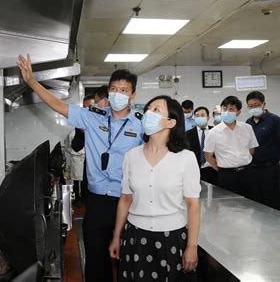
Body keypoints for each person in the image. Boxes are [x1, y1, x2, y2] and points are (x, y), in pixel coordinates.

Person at [17, 54, 144, 282]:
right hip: (96, 202)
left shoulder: (141, 124)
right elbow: (59, 106)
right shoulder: (92, 118)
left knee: (128, 259)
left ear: (132, 95)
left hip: (129, 200)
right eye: (114, 89)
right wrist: (32, 82)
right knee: (96, 258)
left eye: (124, 90)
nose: (118, 94)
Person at [109, 95, 201, 282]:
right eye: (148, 109)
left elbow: (193, 205)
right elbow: (126, 199)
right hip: (135, 236)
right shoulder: (132, 156)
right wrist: (117, 236)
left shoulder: (186, 157)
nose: (148, 113)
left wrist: (192, 246)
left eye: (156, 110)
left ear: (171, 122)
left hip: (172, 237)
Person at [204, 96, 259, 199]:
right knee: (228, 207)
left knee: (251, 205)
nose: (227, 112)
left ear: (238, 112)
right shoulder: (213, 133)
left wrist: (242, 160)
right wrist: (221, 169)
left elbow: (251, 149)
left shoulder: (247, 128)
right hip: (226, 176)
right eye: (224, 108)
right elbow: (208, 156)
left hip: (247, 173)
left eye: (231, 109)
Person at [246, 91, 280, 210]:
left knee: (271, 201)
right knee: (255, 203)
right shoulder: (248, 123)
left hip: (270, 169)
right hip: (252, 169)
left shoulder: (275, 121)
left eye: (257, 105)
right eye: (251, 106)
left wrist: (277, 158)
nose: (254, 108)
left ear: (264, 104)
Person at [69, 94, 95, 206]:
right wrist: (81, 132)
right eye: (84, 107)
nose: (86, 110)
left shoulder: (106, 123)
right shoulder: (82, 124)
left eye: (89, 107)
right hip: (88, 171)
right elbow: (76, 146)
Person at [186, 106, 217, 185]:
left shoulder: (215, 131)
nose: (200, 118)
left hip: (213, 169)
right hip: (195, 171)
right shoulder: (187, 134)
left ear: (208, 117)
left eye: (202, 115)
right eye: (197, 116)